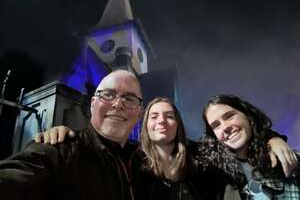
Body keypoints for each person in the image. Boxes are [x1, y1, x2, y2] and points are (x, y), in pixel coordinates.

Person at [37, 97, 297, 200]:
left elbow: (236, 139)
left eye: (169, 116)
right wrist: (62, 133)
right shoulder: (130, 158)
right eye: (154, 116)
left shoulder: (200, 157)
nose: (162, 121)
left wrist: (272, 138)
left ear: (178, 125)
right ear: (144, 125)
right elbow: (95, 148)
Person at [0, 70, 143, 200]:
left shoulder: (143, 161)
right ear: (93, 105)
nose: (118, 104)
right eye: (108, 94)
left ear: (139, 114)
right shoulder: (62, 149)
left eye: (129, 98)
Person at [202, 94, 300, 199]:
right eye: (216, 126)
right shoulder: (216, 176)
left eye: (229, 116)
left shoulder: (289, 162)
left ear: (247, 115)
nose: (225, 127)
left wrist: (275, 139)